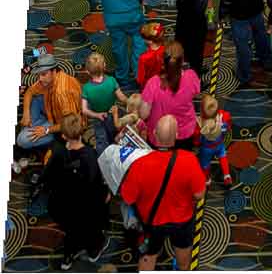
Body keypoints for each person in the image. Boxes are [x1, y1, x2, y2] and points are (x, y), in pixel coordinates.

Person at [119, 114, 207, 271]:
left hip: (151, 222)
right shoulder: (189, 160)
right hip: (182, 220)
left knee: (149, 255)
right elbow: (199, 195)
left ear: (154, 134)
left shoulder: (139, 165)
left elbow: (128, 198)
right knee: (183, 254)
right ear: (177, 136)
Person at [40, 112, 110, 269]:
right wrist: (105, 194)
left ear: (64, 136)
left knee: (71, 233)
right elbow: (95, 183)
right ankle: (93, 253)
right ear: (83, 130)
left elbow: (46, 179)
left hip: (61, 207)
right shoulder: (90, 156)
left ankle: (67, 258)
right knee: (91, 230)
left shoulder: (57, 152)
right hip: (85, 208)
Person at [17, 53, 82, 154]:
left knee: (22, 140)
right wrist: (26, 114)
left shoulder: (62, 94)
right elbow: (29, 91)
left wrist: (46, 130)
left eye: (43, 74)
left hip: (66, 125)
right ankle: (34, 126)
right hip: (53, 110)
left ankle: (48, 135)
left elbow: (71, 123)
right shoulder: (48, 80)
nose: (40, 79)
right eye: (39, 74)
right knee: (35, 97)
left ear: (54, 71)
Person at [140, 42, 200, 149]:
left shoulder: (153, 83)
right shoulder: (191, 76)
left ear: (163, 61)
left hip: (159, 134)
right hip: (184, 132)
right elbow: (196, 92)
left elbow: (143, 114)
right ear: (182, 61)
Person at [81, 51, 127, 156]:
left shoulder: (86, 88)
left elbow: (84, 110)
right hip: (114, 112)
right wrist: (130, 102)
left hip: (99, 118)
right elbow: (121, 97)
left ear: (87, 71)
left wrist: (96, 114)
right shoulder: (111, 80)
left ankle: (104, 160)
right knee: (118, 131)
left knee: (102, 142)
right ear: (105, 66)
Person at [198, 93, 232, 186]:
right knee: (222, 156)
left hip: (206, 149)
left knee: (205, 164)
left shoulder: (200, 124)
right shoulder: (223, 116)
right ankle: (227, 175)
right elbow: (228, 127)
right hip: (219, 144)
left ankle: (207, 179)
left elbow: (196, 139)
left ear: (201, 111)